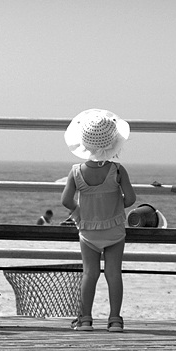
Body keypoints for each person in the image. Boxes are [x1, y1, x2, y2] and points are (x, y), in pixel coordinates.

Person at [60, 109, 136, 332]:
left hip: (88, 232)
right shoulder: (118, 170)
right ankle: (115, 320)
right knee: (114, 273)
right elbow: (131, 199)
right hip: (114, 229)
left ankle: (85, 319)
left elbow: (66, 201)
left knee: (89, 273)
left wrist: (79, 211)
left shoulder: (76, 172)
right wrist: (115, 205)